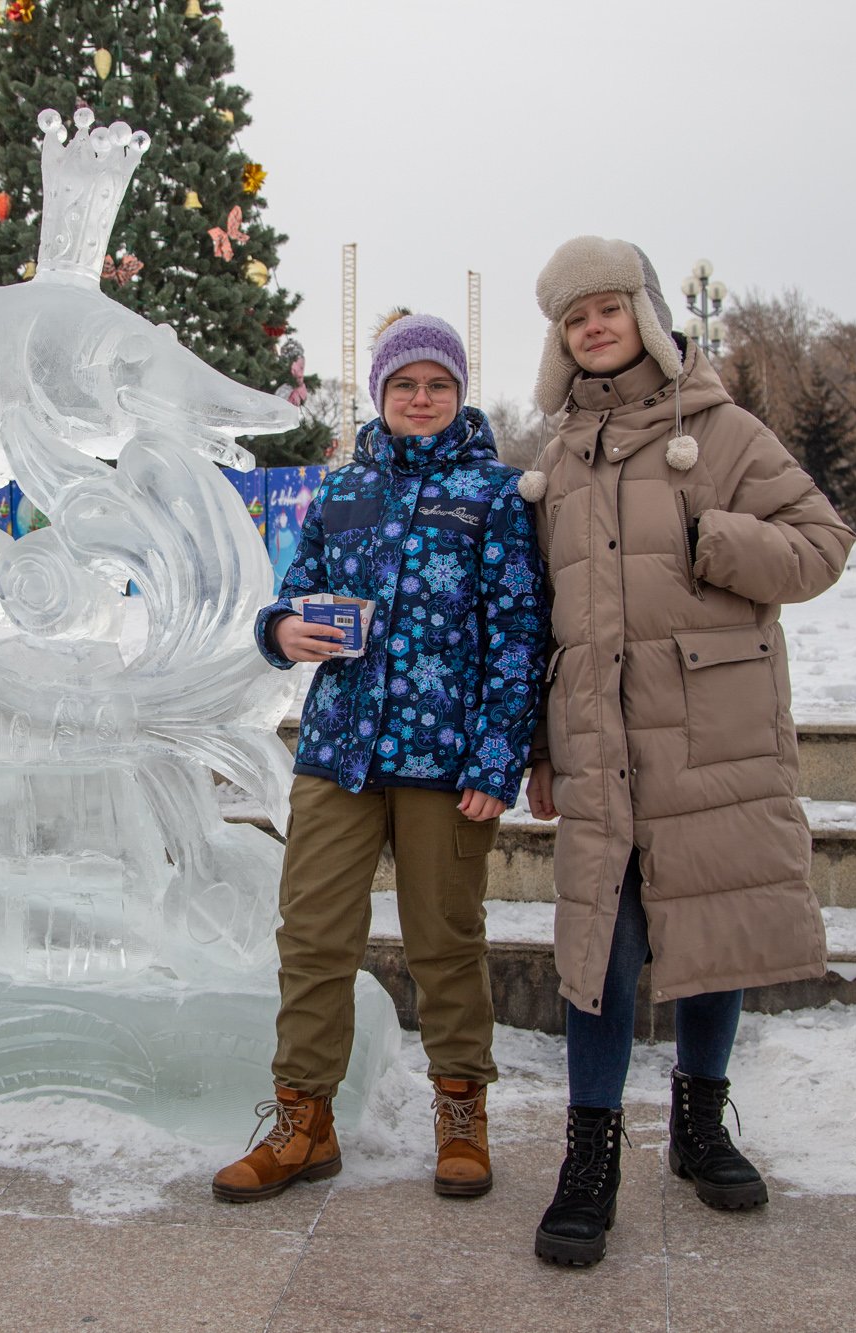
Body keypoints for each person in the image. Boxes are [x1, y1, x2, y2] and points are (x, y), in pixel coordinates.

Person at [516, 237, 854, 1266]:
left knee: (712, 931)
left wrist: (716, 535)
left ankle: (699, 1126)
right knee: (599, 953)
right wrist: (536, 747)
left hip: (711, 727)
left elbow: (821, 543)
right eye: (573, 317)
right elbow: (537, 619)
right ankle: (589, 1155)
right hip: (597, 733)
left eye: (606, 307)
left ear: (646, 314)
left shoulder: (721, 430)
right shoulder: (552, 457)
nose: (591, 327)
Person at [211, 312, 548, 1203]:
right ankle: (303, 1120)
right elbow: (289, 599)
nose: (422, 397)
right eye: (406, 385)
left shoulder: (497, 494)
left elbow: (518, 634)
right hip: (339, 753)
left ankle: (462, 1111)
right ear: (381, 396)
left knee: (445, 940)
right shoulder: (344, 490)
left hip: (445, 760)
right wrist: (282, 628)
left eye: (438, 383)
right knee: (313, 936)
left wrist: (495, 760)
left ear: (460, 392)